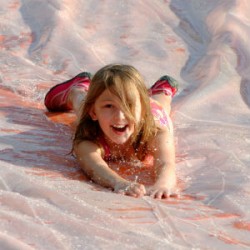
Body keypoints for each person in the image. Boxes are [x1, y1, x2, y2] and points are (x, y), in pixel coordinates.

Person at [44, 64, 179, 199]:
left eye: (129, 105)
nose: (119, 116)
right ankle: (78, 90)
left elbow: (166, 163)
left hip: (152, 112)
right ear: (94, 113)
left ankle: (162, 89)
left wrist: (163, 184)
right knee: (83, 107)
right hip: (105, 114)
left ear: (143, 111)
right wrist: (119, 182)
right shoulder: (90, 137)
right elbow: (94, 166)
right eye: (109, 106)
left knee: (162, 104)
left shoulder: (156, 132)